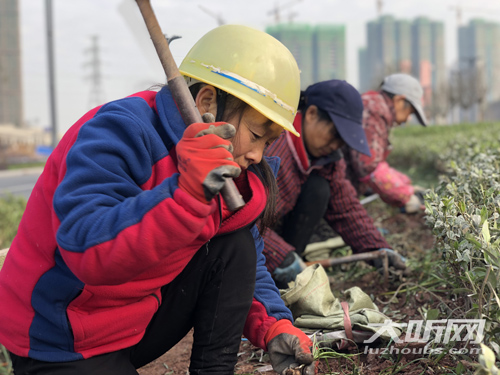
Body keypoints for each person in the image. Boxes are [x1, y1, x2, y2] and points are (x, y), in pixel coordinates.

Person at [0, 25, 316, 375]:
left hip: (135, 324)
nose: (257, 155)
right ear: (207, 102)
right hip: (59, 338)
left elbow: (246, 264)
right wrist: (186, 195)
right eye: (256, 134)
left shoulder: (229, 171)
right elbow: (87, 250)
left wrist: (273, 325)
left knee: (236, 245)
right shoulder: (119, 131)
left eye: (267, 142)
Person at [262, 79, 407, 288]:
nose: (336, 145)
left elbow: (346, 209)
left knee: (319, 189)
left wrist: (379, 250)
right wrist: (280, 256)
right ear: (311, 114)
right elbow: (241, 220)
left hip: (272, 229)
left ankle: (289, 265)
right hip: (244, 236)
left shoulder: (328, 160)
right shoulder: (274, 149)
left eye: (343, 141)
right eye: (335, 134)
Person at [343, 73, 428, 214]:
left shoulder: (372, 105)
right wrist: (405, 195)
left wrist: (407, 185)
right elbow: (369, 165)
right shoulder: (374, 111)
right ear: (400, 100)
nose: (406, 119)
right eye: (410, 112)